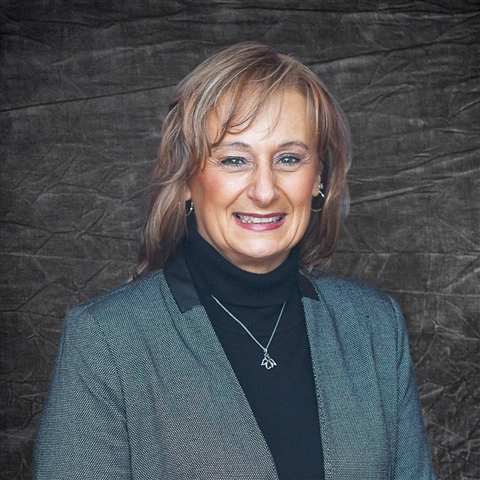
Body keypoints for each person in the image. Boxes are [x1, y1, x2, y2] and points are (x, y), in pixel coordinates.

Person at [34, 42, 436, 479]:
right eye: (234, 159)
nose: (264, 191)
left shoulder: (374, 326)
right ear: (186, 178)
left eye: (288, 158)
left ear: (318, 177)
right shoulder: (106, 340)